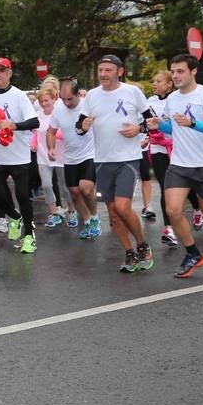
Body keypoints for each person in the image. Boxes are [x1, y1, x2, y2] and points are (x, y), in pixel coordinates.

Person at [148, 54, 203, 277]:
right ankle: (193, 253)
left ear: (193, 71)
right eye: (173, 71)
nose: (175, 75)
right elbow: (173, 129)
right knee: (172, 210)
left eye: (180, 71)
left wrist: (193, 123)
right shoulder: (172, 99)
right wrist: (160, 125)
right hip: (179, 163)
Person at [79, 54, 153, 273]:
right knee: (112, 214)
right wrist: (82, 126)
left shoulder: (132, 92)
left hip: (128, 158)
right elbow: (79, 127)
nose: (103, 74)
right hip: (102, 160)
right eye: (101, 70)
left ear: (119, 71)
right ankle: (129, 253)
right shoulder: (91, 96)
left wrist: (139, 129)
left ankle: (142, 246)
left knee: (122, 207)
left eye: (108, 70)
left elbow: (152, 121)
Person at [0, 57, 40, 254]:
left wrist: (13, 125)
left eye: (2, 70)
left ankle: (29, 236)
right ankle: (15, 217)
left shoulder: (19, 96)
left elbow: (34, 123)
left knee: (22, 196)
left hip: (19, 156)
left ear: (10, 74)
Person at [145, 69, 200, 246]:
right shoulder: (149, 102)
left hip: (177, 148)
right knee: (165, 186)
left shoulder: (176, 99)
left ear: (169, 84)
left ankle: (198, 208)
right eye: (154, 81)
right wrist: (148, 134)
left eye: (159, 81)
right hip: (158, 149)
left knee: (186, 184)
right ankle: (169, 229)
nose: (154, 84)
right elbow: (146, 123)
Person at [47, 76, 98, 236]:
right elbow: (51, 131)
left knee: (86, 188)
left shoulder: (88, 106)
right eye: (63, 99)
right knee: (74, 192)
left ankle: (95, 218)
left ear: (78, 95)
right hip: (70, 157)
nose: (67, 103)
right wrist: (51, 147)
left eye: (70, 99)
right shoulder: (58, 108)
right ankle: (87, 221)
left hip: (90, 154)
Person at [34, 83, 70, 227]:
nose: (44, 104)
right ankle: (54, 212)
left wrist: (60, 135)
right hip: (43, 155)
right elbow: (34, 131)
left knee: (65, 186)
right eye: (41, 101)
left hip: (61, 155)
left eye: (47, 100)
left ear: (54, 99)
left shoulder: (61, 114)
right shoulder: (37, 116)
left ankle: (71, 210)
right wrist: (34, 142)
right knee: (47, 186)